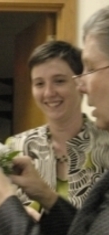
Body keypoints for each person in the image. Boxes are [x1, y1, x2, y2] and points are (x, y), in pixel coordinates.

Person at [0, 5, 109, 235]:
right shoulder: (16, 148)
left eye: (89, 69)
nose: (82, 83)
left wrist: (1, 200)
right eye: (39, 83)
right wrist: (45, 195)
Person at [6, 40, 109, 212]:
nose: (48, 93)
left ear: (80, 83)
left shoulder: (106, 145)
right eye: (39, 84)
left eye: (59, 81)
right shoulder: (15, 148)